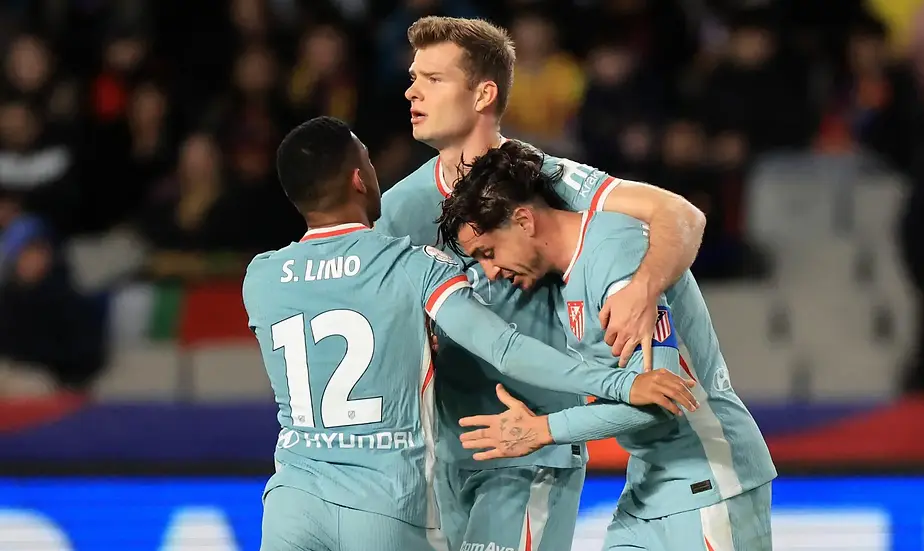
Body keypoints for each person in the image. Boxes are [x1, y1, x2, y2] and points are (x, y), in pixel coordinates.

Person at [244, 117, 698, 551]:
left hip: (293, 499)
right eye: (367, 158)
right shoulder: (409, 264)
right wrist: (620, 382)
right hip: (382, 501)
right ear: (359, 178)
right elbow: (504, 347)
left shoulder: (260, 278)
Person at [375, 16, 707, 550]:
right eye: (413, 77)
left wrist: (644, 287)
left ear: (484, 93)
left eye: (433, 79)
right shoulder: (396, 210)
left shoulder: (546, 182)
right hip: (444, 459)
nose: (412, 91)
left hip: (532, 452)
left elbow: (681, 216)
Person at [437, 141, 778, 551]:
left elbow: (660, 396)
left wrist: (542, 430)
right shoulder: (567, 278)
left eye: (489, 253)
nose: (490, 271)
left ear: (524, 220)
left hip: (708, 482)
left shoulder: (615, 253)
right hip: (649, 488)